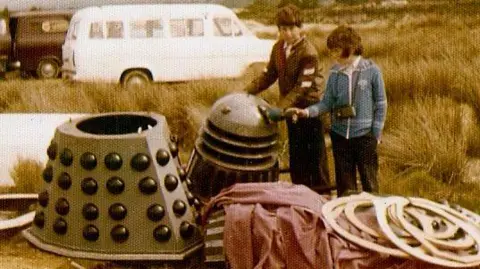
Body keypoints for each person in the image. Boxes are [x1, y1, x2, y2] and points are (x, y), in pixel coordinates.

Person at [286, 25, 387, 196]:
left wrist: (375, 134)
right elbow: (326, 103)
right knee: (345, 190)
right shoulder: (334, 73)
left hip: (365, 138)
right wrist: (306, 112)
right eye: (331, 51)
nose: (332, 55)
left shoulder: (372, 71)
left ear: (351, 47)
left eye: (336, 50)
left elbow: (381, 103)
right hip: (340, 138)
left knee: (370, 186)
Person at [245, 4, 330, 189]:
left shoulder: (309, 53)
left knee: (315, 158)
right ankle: (298, 195)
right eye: (283, 29)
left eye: (291, 28)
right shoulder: (278, 48)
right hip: (291, 110)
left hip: (310, 108)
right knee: (297, 156)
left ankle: (321, 196)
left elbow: (302, 88)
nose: (288, 33)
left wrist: (280, 109)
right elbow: (268, 75)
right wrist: (247, 91)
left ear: (300, 28)